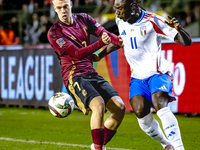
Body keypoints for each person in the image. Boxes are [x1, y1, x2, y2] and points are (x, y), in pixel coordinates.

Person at [94, 0, 191, 150]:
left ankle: (179, 147)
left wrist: (179, 29)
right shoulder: (121, 21)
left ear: (132, 7)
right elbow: (120, 42)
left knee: (159, 103)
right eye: (115, 7)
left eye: (119, 8)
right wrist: (98, 56)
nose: (116, 11)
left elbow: (186, 42)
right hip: (138, 78)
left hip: (158, 74)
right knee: (140, 112)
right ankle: (166, 144)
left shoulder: (153, 21)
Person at [47, 0, 126, 150]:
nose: (63, 11)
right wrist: (100, 43)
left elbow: (105, 33)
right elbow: (77, 53)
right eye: (59, 8)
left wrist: (119, 40)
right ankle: (98, 148)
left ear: (71, 4)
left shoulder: (84, 19)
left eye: (65, 7)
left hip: (91, 72)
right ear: (54, 9)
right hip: (74, 75)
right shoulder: (54, 32)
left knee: (120, 109)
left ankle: (98, 146)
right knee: (99, 105)